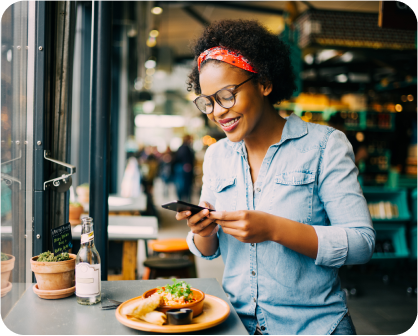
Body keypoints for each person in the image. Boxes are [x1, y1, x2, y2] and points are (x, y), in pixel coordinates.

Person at [176, 20, 375, 335]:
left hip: (314, 328)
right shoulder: (218, 156)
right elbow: (207, 249)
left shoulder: (324, 146)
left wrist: (273, 228)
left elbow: (362, 243)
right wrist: (202, 229)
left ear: (264, 84)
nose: (217, 112)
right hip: (238, 325)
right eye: (208, 102)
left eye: (227, 95)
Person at [173, 135, 195, 202]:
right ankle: (184, 200)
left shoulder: (181, 148)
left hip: (180, 169)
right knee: (184, 186)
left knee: (181, 186)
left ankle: (182, 200)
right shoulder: (186, 148)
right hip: (184, 169)